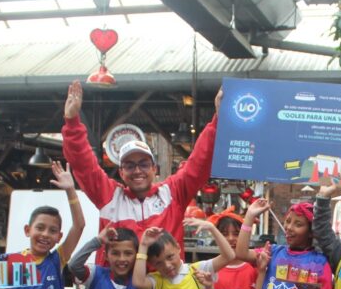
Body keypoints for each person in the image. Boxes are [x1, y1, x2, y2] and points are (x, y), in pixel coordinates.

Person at [62, 79, 221, 261]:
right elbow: (83, 164)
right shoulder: (109, 196)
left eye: (144, 164)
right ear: (121, 172)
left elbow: (200, 161)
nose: (137, 171)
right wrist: (72, 122)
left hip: (165, 288)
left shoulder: (173, 192)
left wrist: (218, 119)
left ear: (154, 169)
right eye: (129, 165)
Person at [236, 198, 334, 289]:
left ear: (311, 232)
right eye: (288, 221)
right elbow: (241, 253)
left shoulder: (320, 262)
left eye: (298, 224)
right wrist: (249, 216)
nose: (289, 228)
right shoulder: (272, 251)